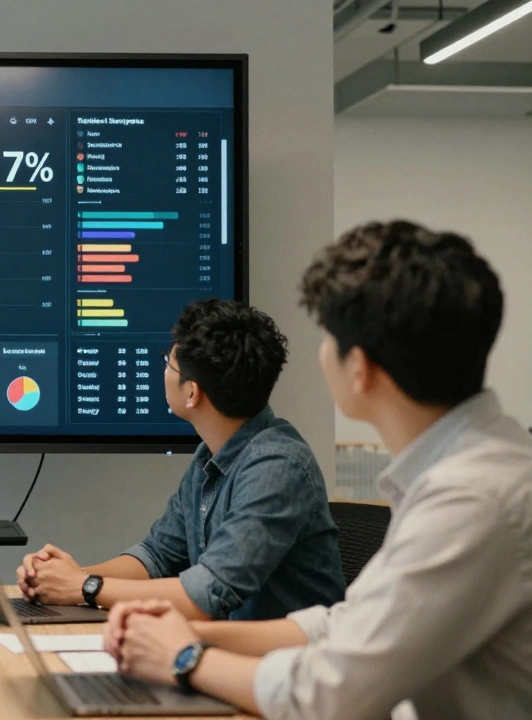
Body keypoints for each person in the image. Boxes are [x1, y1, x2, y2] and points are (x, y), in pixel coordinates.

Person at [107, 221, 532, 720]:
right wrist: (195, 632)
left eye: (328, 337)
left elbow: (330, 694)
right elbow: (349, 625)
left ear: (360, 368)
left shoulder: (474, 497)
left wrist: (183, 658)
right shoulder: (472, 468)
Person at [17, 298, 345, 621]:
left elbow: (210, 591)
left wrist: (84, 586)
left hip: (278, 669)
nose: (164, 370)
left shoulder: (277, 466)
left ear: (192, 393)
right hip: (225, 656)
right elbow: (157, 556)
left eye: (168, 363)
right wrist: (63, 579)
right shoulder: (210, 456)